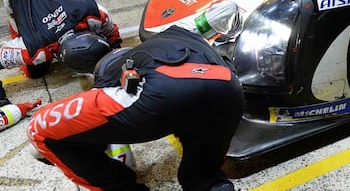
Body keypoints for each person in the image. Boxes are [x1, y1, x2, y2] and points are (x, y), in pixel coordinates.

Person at [28, 26, 245, 191]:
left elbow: (104, 128)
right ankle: (210, 184)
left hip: (162, 93)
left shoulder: (107, 70)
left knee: (39, 130)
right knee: (203, 173)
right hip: (228, 87)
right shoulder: (162, 37)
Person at [1, 0, 121, 79]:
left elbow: (113, 35)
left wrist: (116, 52)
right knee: (34, 72)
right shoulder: (35, 50)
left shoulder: (93, 12)